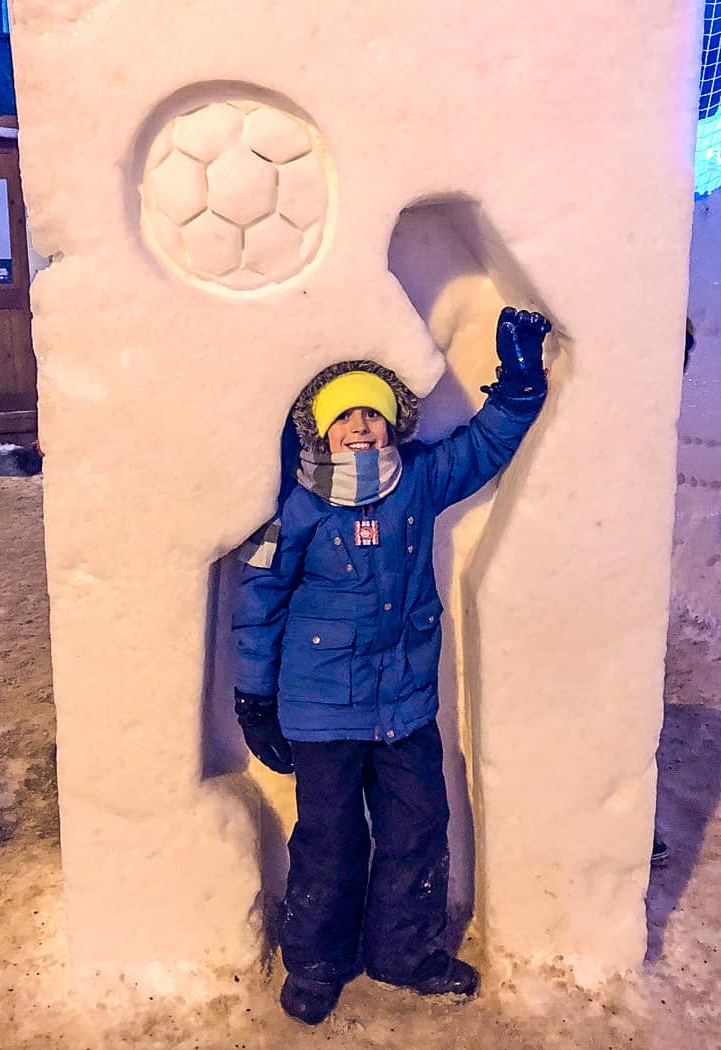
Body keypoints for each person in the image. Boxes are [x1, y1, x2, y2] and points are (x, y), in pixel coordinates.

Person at [232, 307, 550, 1025]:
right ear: (321, 431)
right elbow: (259, 599)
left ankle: (405, 953)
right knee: (329, 839)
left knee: (417, 827)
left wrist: (521, 385)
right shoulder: (298, 504)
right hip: (321, 713)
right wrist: (254, 699)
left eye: (371, 416)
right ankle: (317, 963)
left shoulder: (417, 485)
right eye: (344, 420)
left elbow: (482, 447)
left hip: (404, 706)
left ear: (391, 423)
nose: (361, 429)